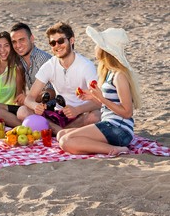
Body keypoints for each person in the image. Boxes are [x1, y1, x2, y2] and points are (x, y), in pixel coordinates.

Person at [57, 26, 142, 155]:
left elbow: (127, 112)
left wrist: (101, 98)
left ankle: (115, 150)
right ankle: (103, 146)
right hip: (110, 125)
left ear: (105, 50)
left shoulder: (119, 76)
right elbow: (111, 102)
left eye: (97, 45)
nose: (95, 48)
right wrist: (93, 97)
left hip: (118, 130)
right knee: (61, 134)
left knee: (66, 141)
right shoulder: (109, 73)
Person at [22, 21, 101, 134]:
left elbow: (99, 101)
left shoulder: (86, 66)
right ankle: (62, 132)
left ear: (71, 40)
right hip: (58, 115)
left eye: (60, 41)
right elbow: (29, 98)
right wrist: (35, 106)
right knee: (23, 111)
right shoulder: (50, 65)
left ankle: (58, 132)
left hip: (80, 115)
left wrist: (77, 110)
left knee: (95, 116)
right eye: (53, 43)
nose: (57, 46)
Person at [0, 22, 53, 127]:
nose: (18, 45)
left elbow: (51, 93)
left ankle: (34, 126)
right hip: (31, 105)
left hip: (48, 107)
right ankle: (24, 127)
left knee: (23, 111)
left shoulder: (42, 59)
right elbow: (1, 56)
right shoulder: (20, 59)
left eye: (22, 40)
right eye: (14, 42)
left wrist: (28, 98)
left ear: (32, 39)